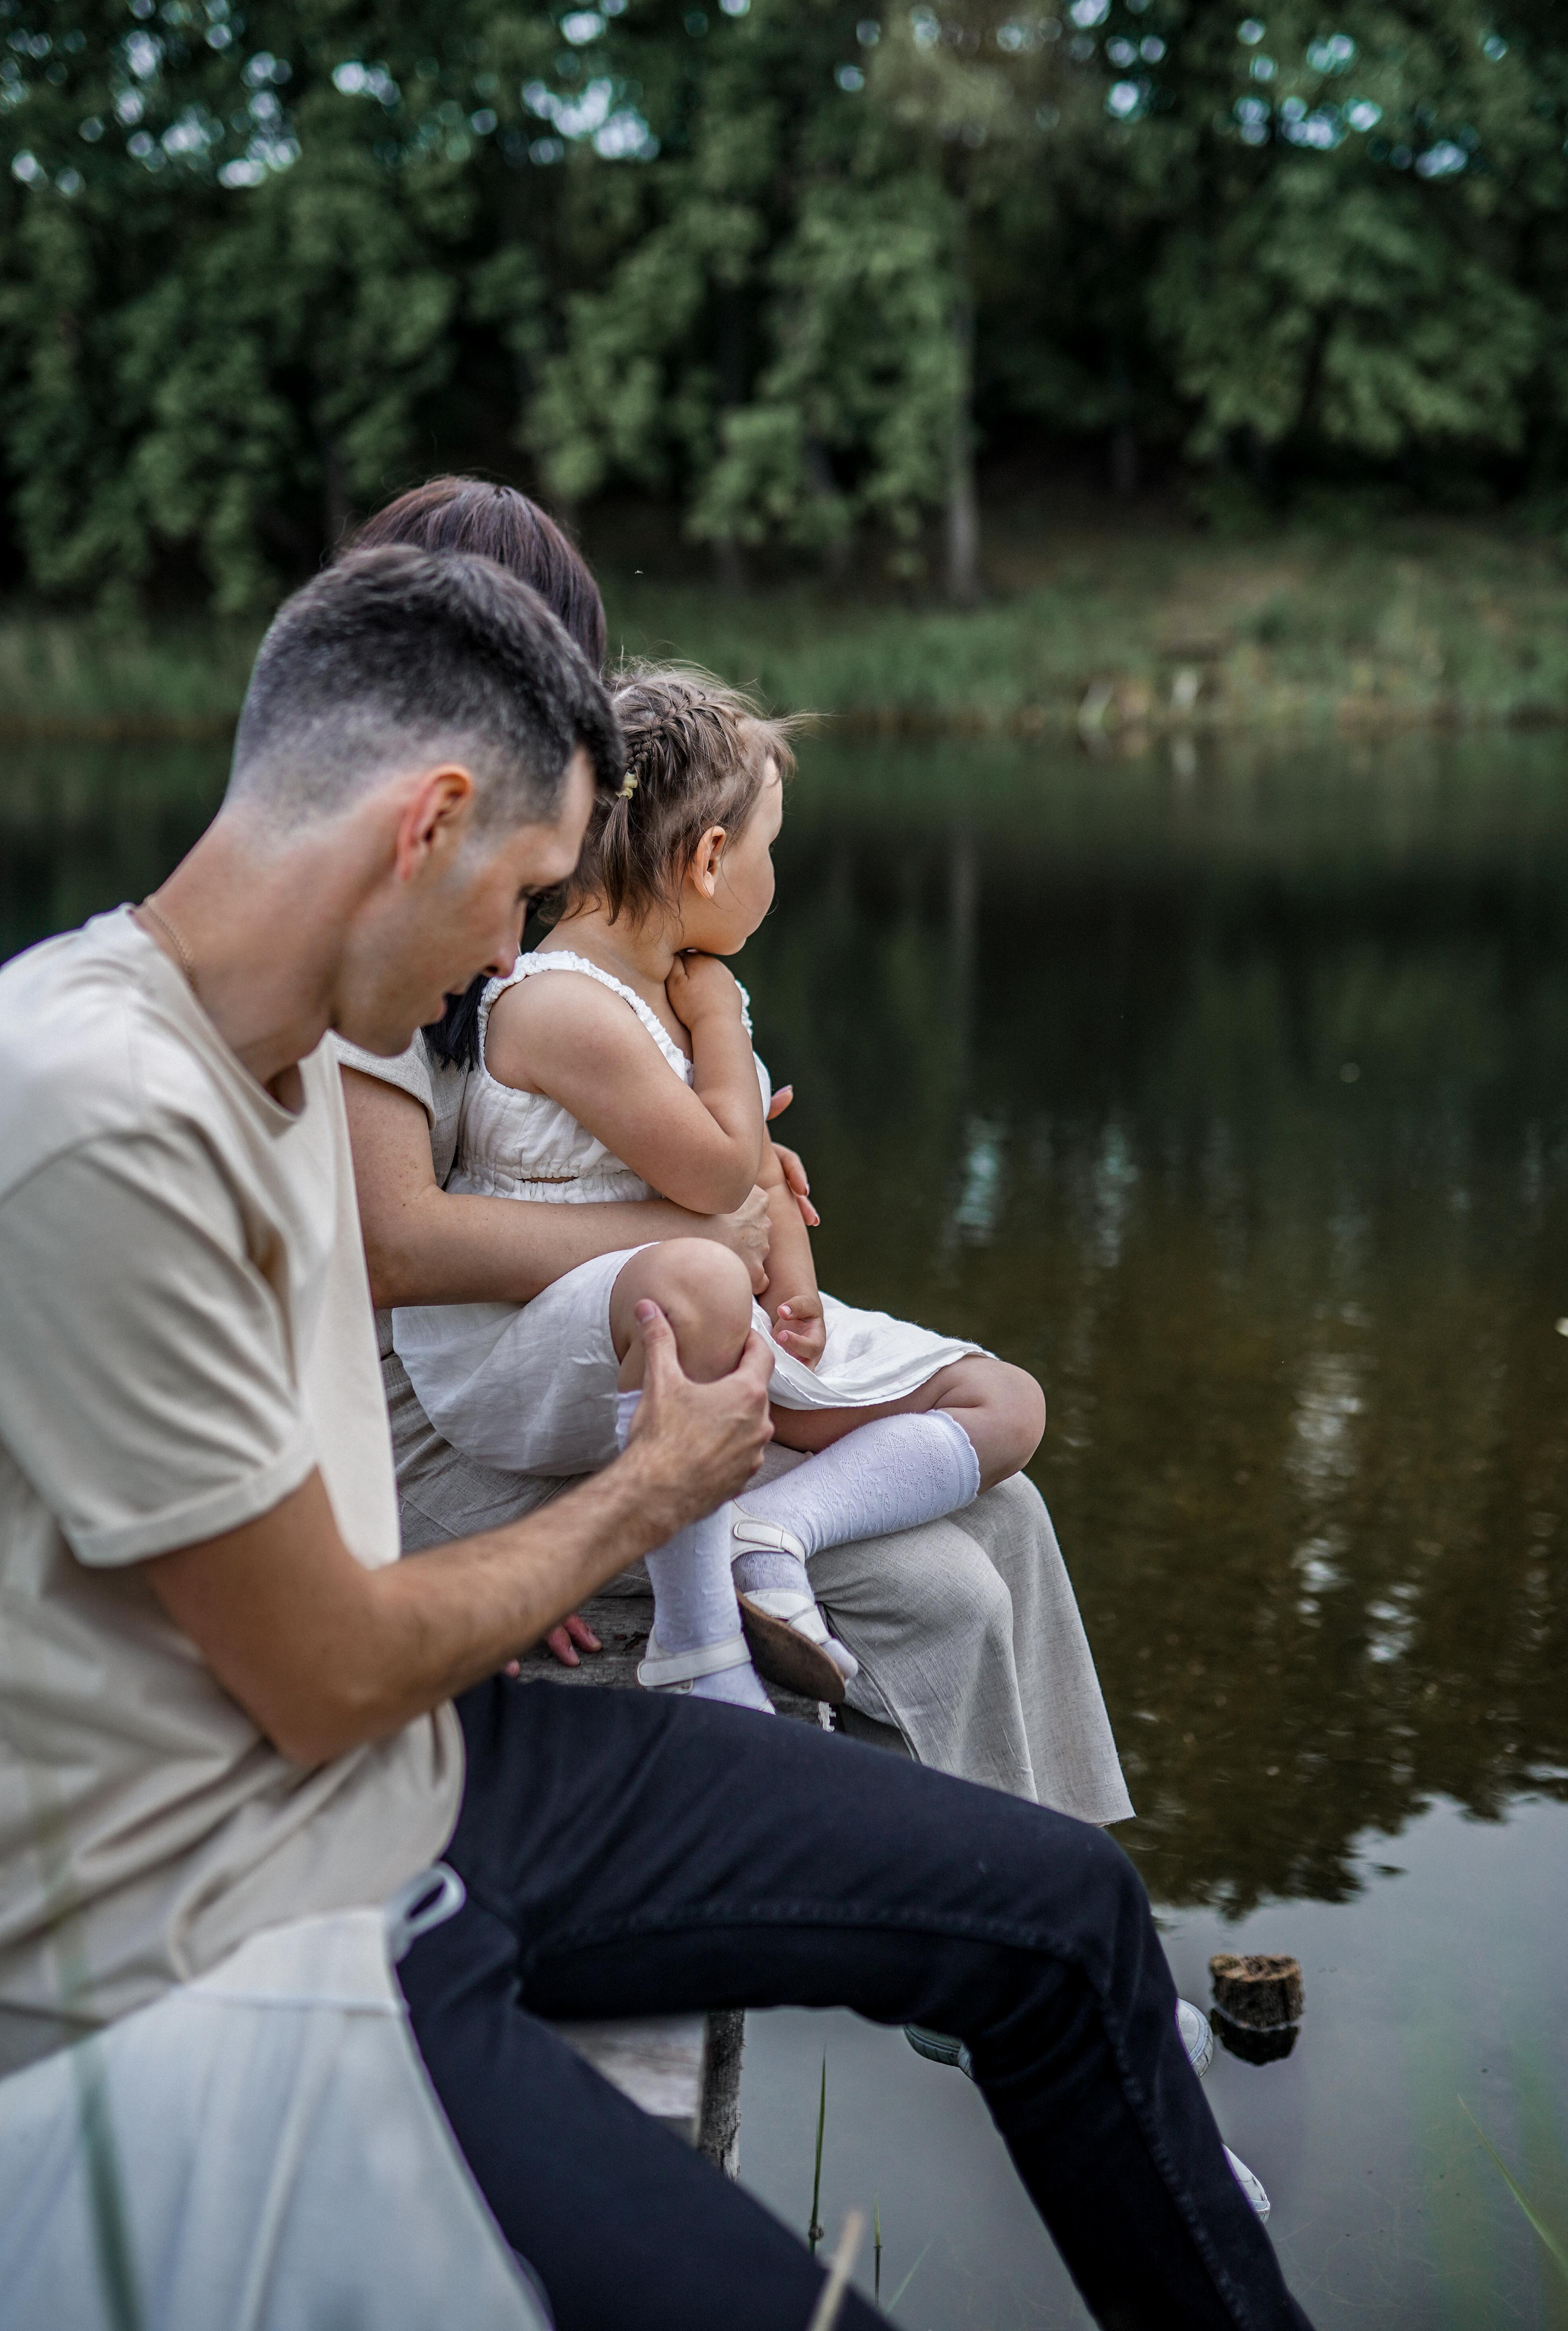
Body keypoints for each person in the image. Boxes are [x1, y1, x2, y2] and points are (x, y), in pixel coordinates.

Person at [0, 544, 1312, 2330]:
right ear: (426, 823)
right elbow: (323, 1675)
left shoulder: (285, 1053)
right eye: (520, 889)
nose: (507, 953)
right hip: (236, 1906)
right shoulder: (100, 1111)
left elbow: (316, 1479)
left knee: (1066, 1913)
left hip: (424, 1769)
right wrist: (646, 1493)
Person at [336, 478, 1130, 1820]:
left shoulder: (520, 906)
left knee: (1010, 1513)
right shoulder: (391, 928)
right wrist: (704, 1225)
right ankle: (966, 1902)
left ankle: (1075, 1884)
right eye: (556, 698)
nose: (580, 746)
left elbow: (648, 1165)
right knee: (939, 1591)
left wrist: (736, 1180)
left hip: (593, 1350)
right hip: (437, 1437)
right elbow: (396, 1244)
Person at [393, 666, 1046, 1713]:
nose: (773, 872)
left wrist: (798, 1292)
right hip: (536, 1355)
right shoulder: (563, 1005)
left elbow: (755, 1182)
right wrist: (721, 1026)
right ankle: (696, 1642)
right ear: (706, 858)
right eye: (768, 847)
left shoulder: (670, 982)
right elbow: (718, 1173)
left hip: (693, 1322)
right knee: (694, 1281)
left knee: (1006, 1404)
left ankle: (775, 1532)